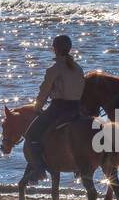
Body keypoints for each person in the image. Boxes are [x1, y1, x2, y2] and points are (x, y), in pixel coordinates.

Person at [23, 34, 85, 179]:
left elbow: (44, 92)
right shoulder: (78, 68)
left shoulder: (54, 69)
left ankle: (38, 170)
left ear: (54, 49)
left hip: (58, 108)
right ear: (69, 48)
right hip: (77, 108)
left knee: (31, 135)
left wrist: (37, 108)